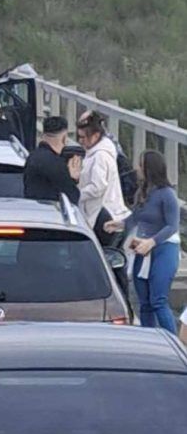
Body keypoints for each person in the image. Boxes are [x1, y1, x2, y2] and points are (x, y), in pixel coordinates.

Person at [105, 150, 181, 334]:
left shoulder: (167, 194)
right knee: (144, 301)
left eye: (140, 165)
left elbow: (172, 225)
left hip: (163, 248)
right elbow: (137, 216)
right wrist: (121, 224)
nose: (137, 169)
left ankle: (172, 340)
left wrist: (152, 242)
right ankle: (149, 338)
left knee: (158, 300)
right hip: (142, 246)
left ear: (149, 168)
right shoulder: (143, 192)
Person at [75, 111, 131, 241]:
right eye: (79, 137)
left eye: (83, 137)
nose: (80, 141)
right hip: (100, 213)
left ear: (96, 135)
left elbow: (97, 187)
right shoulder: (97, 152)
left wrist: (76, 193)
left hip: (102, 216)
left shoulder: (100, 156)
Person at [23, 116, 81, 204]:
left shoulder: (32, 157)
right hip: (51, 213)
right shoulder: (57, 164)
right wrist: (73, 179)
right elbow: (72, 198)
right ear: (64, 138)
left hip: (32, 210)